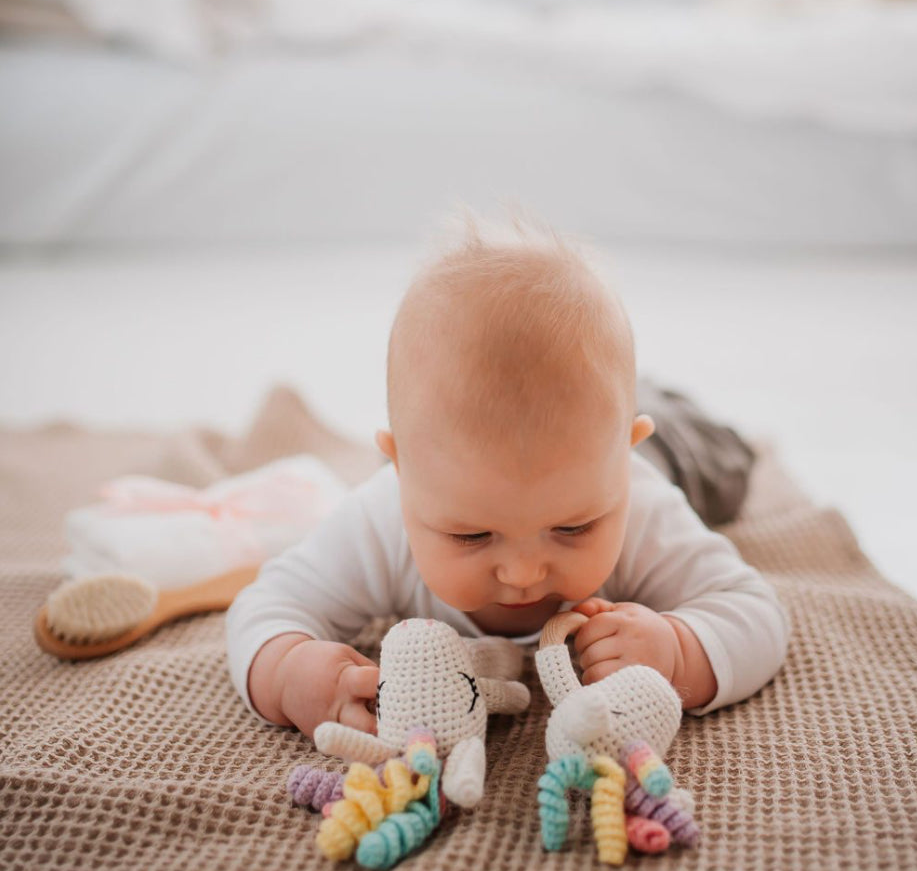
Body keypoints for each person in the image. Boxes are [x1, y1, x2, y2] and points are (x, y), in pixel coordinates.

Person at [226, 221, 789, 739]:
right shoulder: (380, 518)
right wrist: (290, 672)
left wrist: (678, 651)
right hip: (541, 447)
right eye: (471, 535)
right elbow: (270, 604)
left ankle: (658, 411)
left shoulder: (640, 502)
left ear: (621, 464)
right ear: (401, 471)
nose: (524, 573)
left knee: (724, 462)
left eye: (573, 527)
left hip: (677, 449)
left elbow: (756, 613)